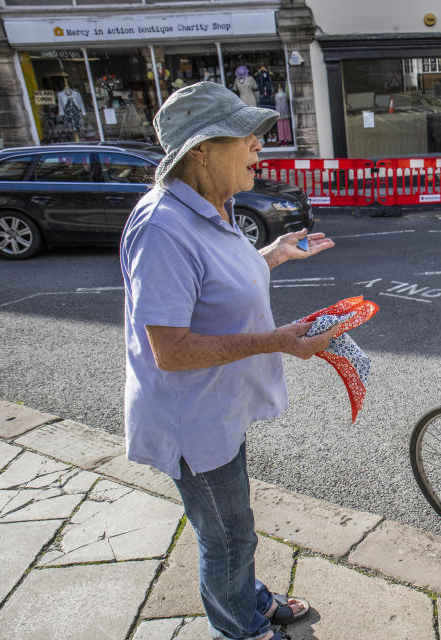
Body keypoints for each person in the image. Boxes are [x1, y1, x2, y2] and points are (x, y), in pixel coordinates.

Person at [120, 81, 339, 640]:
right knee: (226, 535)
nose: (259, 147)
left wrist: (272, 255)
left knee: (234, 525)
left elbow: (216, 289)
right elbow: (169, 350)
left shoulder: (210, 208)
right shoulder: (163, 227)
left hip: (218, 407)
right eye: (247, 136)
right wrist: (279, 340)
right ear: (201, 150)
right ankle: (237, 628)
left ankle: (250, 600)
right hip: (192, 420)